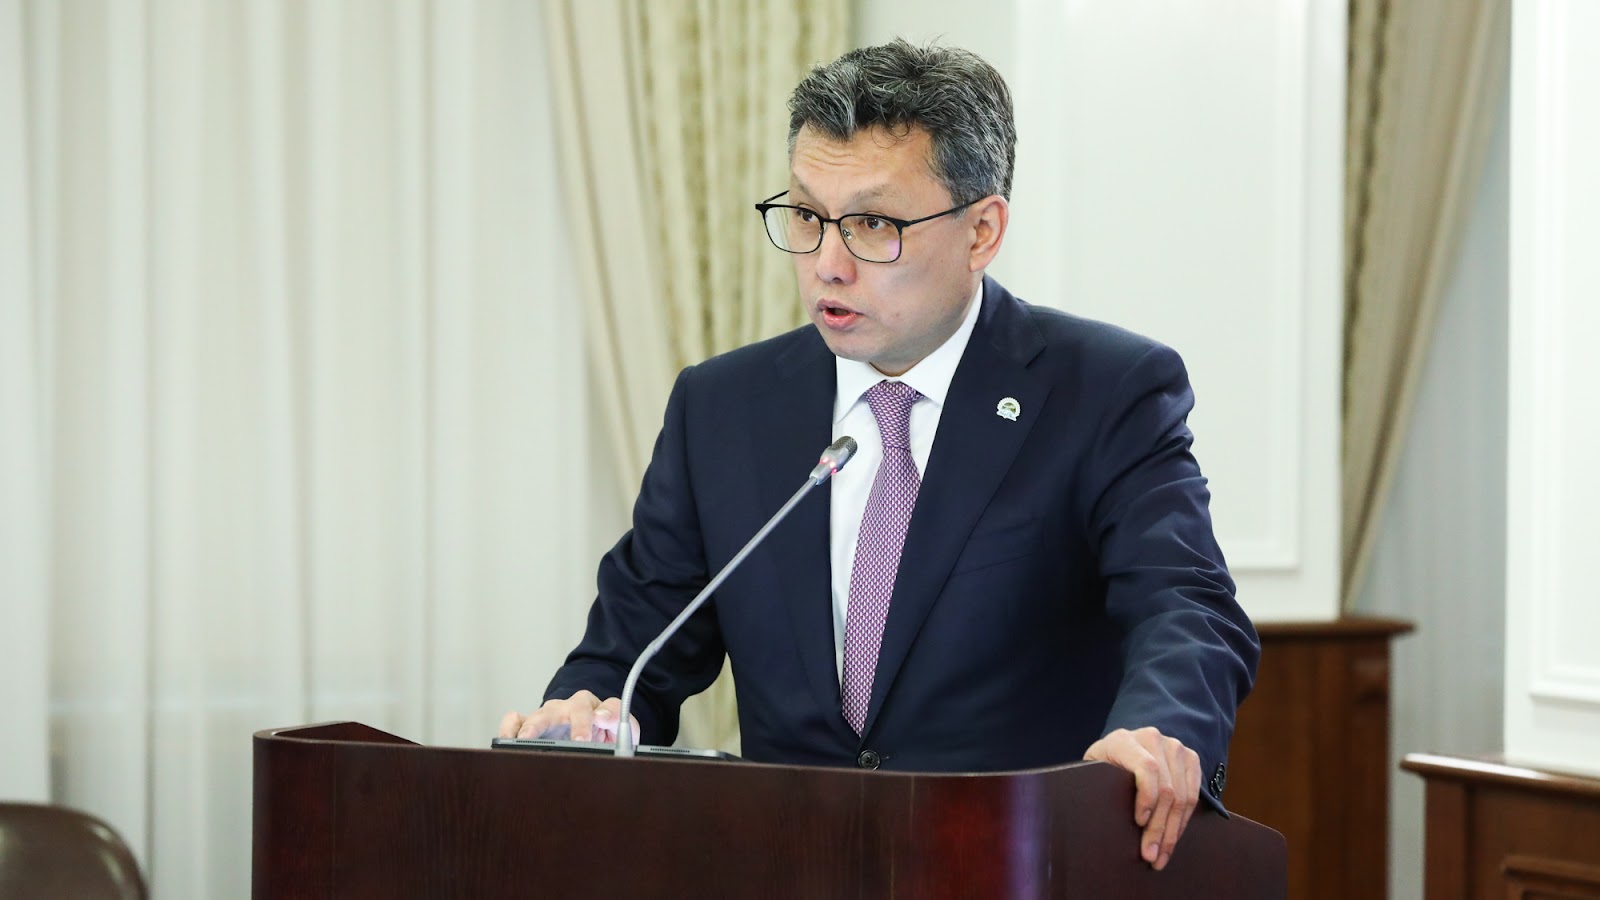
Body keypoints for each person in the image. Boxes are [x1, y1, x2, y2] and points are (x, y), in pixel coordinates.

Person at [500, 39, 1258, 872]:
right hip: (788, 868)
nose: (827, 265)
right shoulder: (723, 409)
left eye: (872, 226)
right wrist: (582, 715)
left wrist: (1157, 730)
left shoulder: (1103, 391)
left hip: (1016, 865)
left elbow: (1186, 606)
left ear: (982, 231)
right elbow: (633, 649)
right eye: (806, 216)